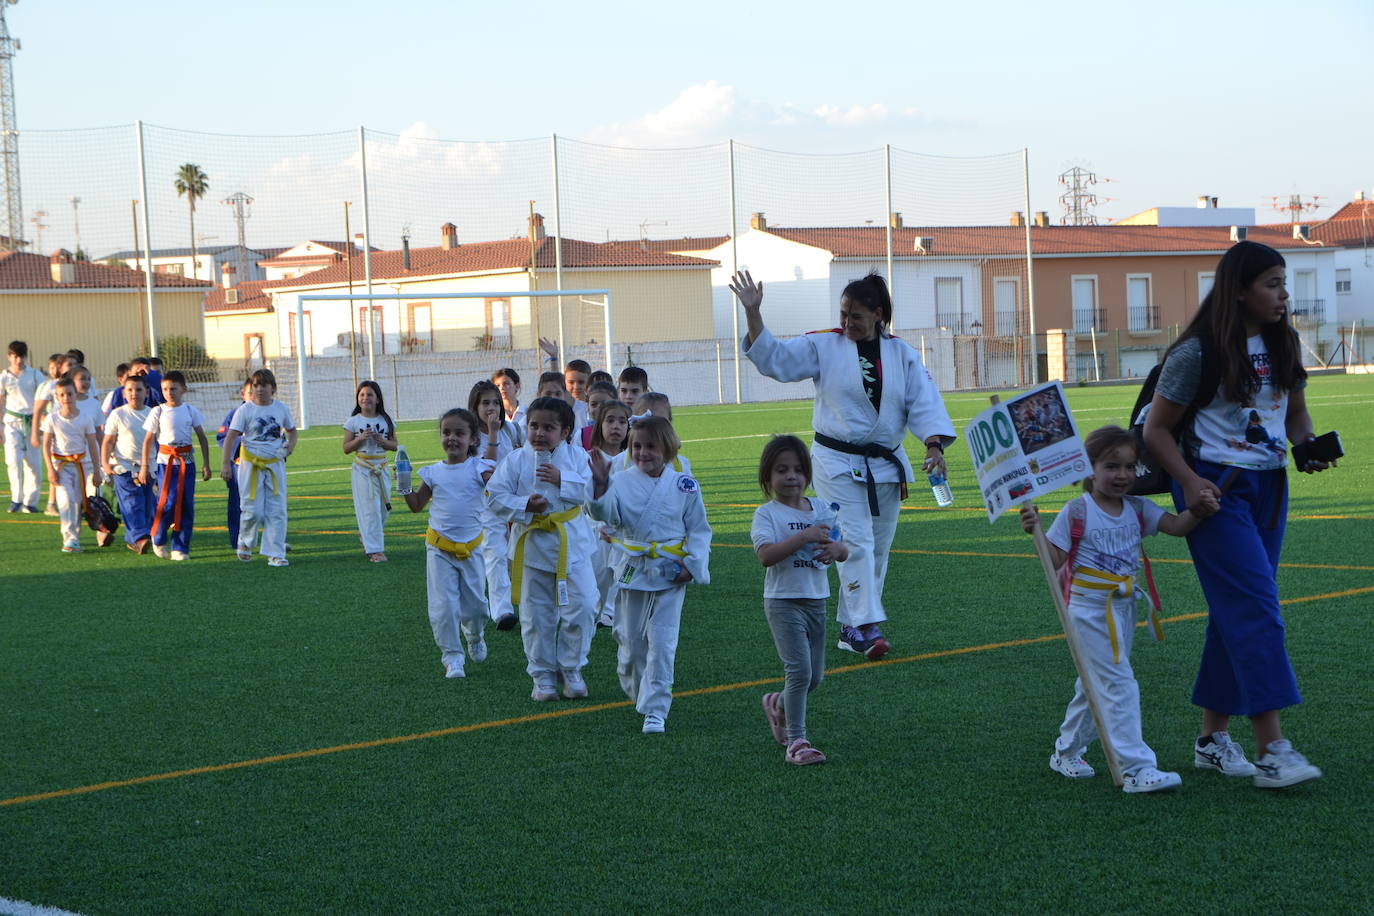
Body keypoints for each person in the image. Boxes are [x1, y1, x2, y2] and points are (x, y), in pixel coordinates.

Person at [1142, 240, 1332, 789]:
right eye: (1272, 283)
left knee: (1238, 609)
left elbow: (1294, 415)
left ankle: (1210, 740)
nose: (1283, 293)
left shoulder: (1285, 341)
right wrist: (1190, 483)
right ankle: (1273, 749)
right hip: (1212, 491)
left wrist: (1308, 445)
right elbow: (1156, 431)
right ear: (1241, 290)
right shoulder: (1196, 353)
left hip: (1270, 486)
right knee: (1256, 608)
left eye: (1283, 282)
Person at [731, 270, 955, 660]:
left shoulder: (902, 354)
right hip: (836, 461)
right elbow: (776, 360)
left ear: (879, 314)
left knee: (879, 549)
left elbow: (924, 402)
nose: (847, 323)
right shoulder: (824, 345)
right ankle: (865, 625)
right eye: (844, 314)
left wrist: (934, 445)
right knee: (856, 542)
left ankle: (852, 626)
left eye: (856, 316)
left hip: (885, 465)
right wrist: (754, 313)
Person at [1020, 426, 1216, 793]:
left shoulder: (1138, 509)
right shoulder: (1077, 510)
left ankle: (1065, 751)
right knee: (1119, 683)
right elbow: (1057, 558)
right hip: (1088, 609)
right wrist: (1036, 531)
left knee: (1094, 684)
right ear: (1088, 468)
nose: (1123, 475)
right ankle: (1137, 768)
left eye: (1130, 467)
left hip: (1123, 609)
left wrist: (1198, 511)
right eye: (1111, 466)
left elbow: (1176, 526)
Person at [588, 414, 711, 734]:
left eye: (651, 447)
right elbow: (605, 514)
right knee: (629, 643)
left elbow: (698, 529)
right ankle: (638, 687)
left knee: (662, 642)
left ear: (668, 449)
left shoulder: (684, 484)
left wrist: (693, 565)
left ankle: (656, 709)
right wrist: (600, 485)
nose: (642, 453)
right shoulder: (621, 479)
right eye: (637, 446)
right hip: (633, 569)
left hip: (671, 573)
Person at [484, 396, 598, 702]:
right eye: (534, 425)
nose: (539, 433)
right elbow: (493, 496)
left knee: (585, 607)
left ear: (565, 432)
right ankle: (543, 675)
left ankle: (572, 668)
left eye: (549, 427)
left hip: (572, 545)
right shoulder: (517, 460)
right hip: (531, 548)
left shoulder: (577, 458)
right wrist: (524, 505)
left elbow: (594, 493)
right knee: (536, 617)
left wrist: (564, 480)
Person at [752, 435, 849, 766]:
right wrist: (803, 537)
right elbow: (766, 556)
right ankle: (797, 741)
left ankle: (778, 705)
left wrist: (835, 550)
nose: (790, 476)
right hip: (783, 601)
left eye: (797, 470)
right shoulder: (767, 514)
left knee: (815, 677)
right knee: (799, 671)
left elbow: (842, 547)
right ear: (768, 477)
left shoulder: (821, 508)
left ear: (807, 475)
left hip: (817, 600)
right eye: (781, 470)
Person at [400, 408, 497, 680]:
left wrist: (494, 434)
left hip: (472, 549)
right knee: (444, 607)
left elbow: (494, 477)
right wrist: (404, 484)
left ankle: (474, 635)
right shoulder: (433, 472)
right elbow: (417, 505)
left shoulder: (479, 467)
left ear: (472, 439)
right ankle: (452, 657)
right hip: (439, 549)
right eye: (446, 432)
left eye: (459, 433)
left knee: (476, 607)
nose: (451, 438)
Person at [221, 369, 297, 567]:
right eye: (256, 385)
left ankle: (276, 553)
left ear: (273, 388)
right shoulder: (245, 410)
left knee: (277, 510)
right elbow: (230, 437)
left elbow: (292, 431)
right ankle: (245, 543)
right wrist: (226, 464)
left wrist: (289, 448)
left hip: (274, 465)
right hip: (250, 465)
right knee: (252, 509)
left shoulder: (281, 408)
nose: (260, 389)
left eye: (264, 385)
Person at [469, 380, 523, 630]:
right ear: (475, 406)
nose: (491, 408)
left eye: (495, 402)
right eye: (485, 403)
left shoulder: (510, 431)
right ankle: (501, 611)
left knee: (518, 554)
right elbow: (485, 468)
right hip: (487, 504)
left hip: (513, 502)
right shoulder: (471, 437)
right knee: (496, 554)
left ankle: (527, 602)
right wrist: (491, 433)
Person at [140, 371, 211, 561]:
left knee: (186, 503)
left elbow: (202, 438)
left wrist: (206, 464)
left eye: (173, 389)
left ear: (183, 390)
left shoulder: (190, 410)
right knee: (168, 501)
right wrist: (145, 466)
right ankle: (159, 537)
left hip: (186, 462)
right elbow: (148, 440)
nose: (169, 392)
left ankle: (180, 547)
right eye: (165, 389)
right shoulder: (158, 411)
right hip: (166, 463)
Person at [40, 376, 103, 553]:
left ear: (76, 395)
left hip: (81, 466)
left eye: (69, 394)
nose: (66, 398)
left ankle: (75, 536)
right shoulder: (52, 419)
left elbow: (92, 445)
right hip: (61, 465)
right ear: (57, 398)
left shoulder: (85, 419)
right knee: (65, 501)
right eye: (62, 395)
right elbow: (46, 445)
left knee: (77, 502)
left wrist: (97, 471)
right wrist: (50, 469)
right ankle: (69, 538)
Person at [343, 380, 398, 563]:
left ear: (377, 399)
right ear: (358, 399)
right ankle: (375, 550)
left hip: (381, 468)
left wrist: (382, 442)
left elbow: (394, 445)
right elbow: (346, 448)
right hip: (363, 469)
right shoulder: (353, 422)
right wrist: (360, 440)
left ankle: (366, 536)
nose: (365, 398)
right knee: (370, 510)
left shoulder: (386, 420)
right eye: (362, 395)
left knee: (383, 509)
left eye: (370, 395)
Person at [588, 398, 631, 628]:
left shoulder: (632, 460)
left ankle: (611, 612)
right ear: (599, 425)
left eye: (622, 422)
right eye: (610, 420)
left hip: (622, 529)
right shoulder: (588, 458)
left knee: (620, 571)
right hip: (594, 530)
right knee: (598, 574)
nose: (616, 426)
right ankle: (595, 609)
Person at [101, 372, 155, 554]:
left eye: (138, 389)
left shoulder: (153, 414)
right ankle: (139, 538)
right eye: (129, 390)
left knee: (148, 503)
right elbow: (108, 441)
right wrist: (105, 464)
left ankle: (138, 537)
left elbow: (160, 441)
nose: (134, 393)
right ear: (123, 393)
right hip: (124, 467)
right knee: (132, 503)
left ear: (146, 392)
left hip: (149, 468)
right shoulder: (118, 415)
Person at [1, 340, 45, 513]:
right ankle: (16, 499)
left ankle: (30, 502)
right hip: (12, 422)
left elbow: (45, 398)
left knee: (34, 464)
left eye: (21, 356)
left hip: (32, 422)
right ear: (9, 356)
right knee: (13, 461)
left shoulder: (35, 375)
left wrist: (42, 422)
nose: (18, 360)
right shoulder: (4, 376)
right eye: (15, 356)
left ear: (26, 356)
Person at [217, 381, 253, 550]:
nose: (255, 395)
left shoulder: (270, 412)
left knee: (270, 504)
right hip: (240, 466)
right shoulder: (235, 414)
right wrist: (241, 445)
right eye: (250, 392)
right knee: (237, 504)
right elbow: (223, 437)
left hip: (265, 467)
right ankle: (238, 540)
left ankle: (274, 540)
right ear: (242, 394)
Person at [629, 393, 690, 473]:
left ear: (670, 423)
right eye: (647, 419)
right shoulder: (619, 464)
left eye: (660, 421)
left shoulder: (681, 466)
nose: (654, 427)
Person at [580, 380, 618, 449]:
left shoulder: (626, 432)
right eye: (594, 404)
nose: (599, 408)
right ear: (588, 407)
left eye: (605, 404)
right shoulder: (581, 435)